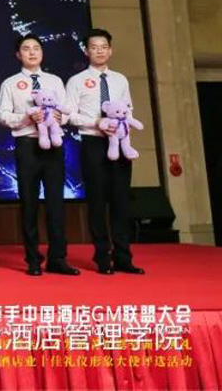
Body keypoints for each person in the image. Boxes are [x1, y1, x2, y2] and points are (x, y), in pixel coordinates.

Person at [0, 34, 79, 276]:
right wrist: (25, 118)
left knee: (56, 202)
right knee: (29, 203)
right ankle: (33, 259)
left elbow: (67, 111)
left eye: (36, 48)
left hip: (53, 145)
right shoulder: (10, 83)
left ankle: (58, 258)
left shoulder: (54, 81)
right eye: (26, 49)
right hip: (27, 145)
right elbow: (2, 116)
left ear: (42, 52)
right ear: (18, 55)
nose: (32, 52)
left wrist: (60, 118)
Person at [66, 28, 144, 275]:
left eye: (103, 47)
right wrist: (96, 122)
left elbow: (128, 109)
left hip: (120, 143)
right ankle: (102, 256)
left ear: (110, 50)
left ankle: (123, 257)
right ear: (86, 51)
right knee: (97, 201)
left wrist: (123, 126)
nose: (99, 51)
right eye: (94, 47)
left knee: (121, 200)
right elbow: (69, 115)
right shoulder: (76, 81)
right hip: (93, 143)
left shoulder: (120, 80)